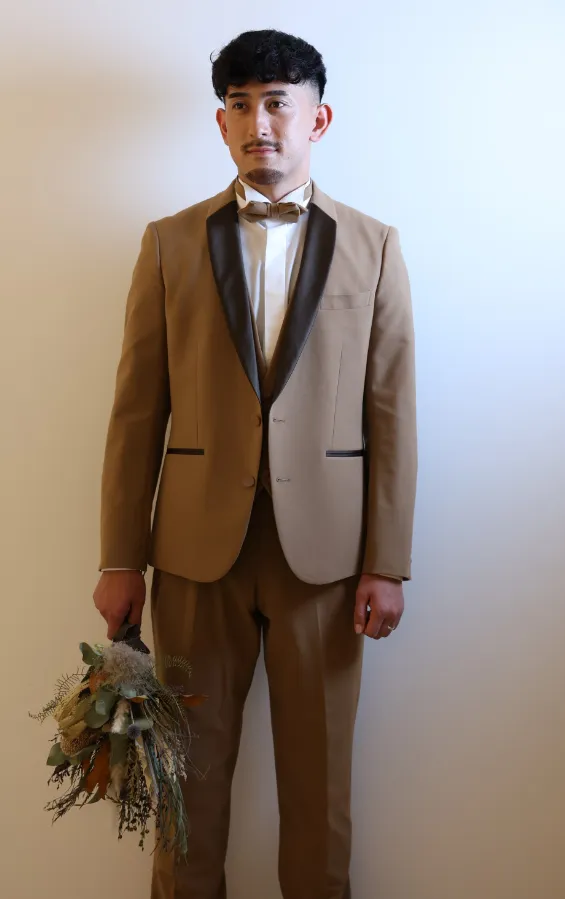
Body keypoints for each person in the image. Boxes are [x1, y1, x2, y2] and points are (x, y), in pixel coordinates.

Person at [93, 28, 417, 899]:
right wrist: (120, 555)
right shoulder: (168, 243)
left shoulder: (375, 245)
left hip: (329, 560)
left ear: (319, 118)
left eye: (277, 102)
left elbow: (392, 411)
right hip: (196, 554)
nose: (258, 122)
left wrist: (387, 560)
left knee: (321, 792)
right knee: (186, 788)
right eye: (239, 105)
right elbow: (136, 410)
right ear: (221, 121)